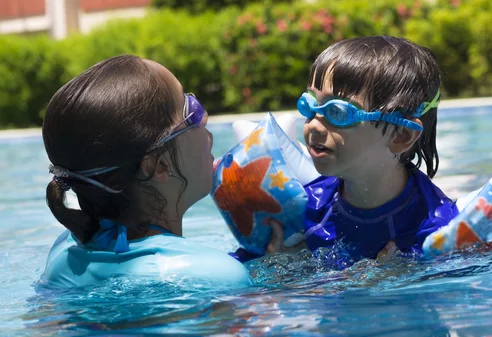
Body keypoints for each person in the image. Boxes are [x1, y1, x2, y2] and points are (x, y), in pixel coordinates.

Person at [41, 55, 251, 288]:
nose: (205, 118)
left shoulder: (64, 253)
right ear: (159, 165)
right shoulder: (213, 277)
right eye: (191, 110)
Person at [266, 36, 458, 263]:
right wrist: (277, 260)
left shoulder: (435, 232)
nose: (314, 124)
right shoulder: (304, 207)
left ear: (401, 135)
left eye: (338, 112)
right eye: (309, 104)